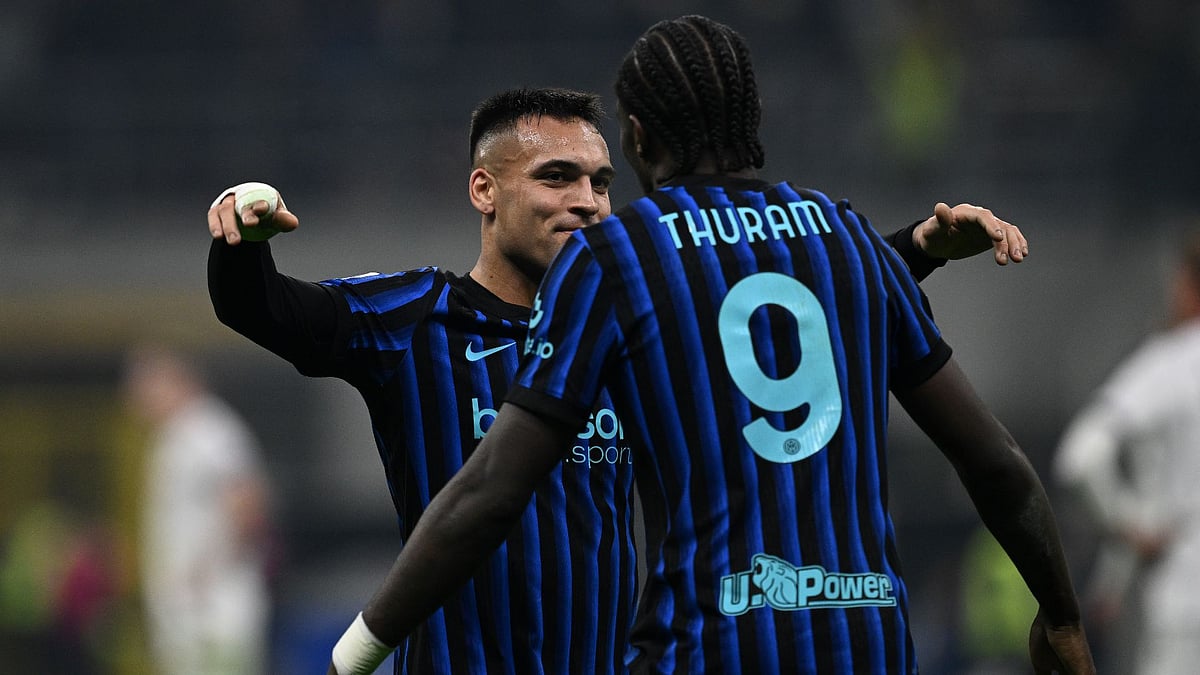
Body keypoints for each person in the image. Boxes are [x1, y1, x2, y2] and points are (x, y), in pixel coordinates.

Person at [326, 16, 1094, 675]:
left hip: (708, 644)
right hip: (867, 640)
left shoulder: (617, 258)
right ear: (752, 117)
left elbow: (492, 487)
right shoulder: (849, 239)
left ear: (635, 136)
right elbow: (993, 459)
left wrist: (355, 650)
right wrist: (1060, 613)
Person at [1055, 231, 1200, 675]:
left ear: (1187, 283)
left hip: (1182, 599)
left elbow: (1079, 459)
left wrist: (1129, 529)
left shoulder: (1170, 363)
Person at [121, 344, 274, 675]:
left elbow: (247, 501)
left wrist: (208, 571)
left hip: (215, 612)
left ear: (175, 380)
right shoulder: (173, 436)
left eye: (146, 384)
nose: (137, 396)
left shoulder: (209, 429)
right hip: (188, 612)